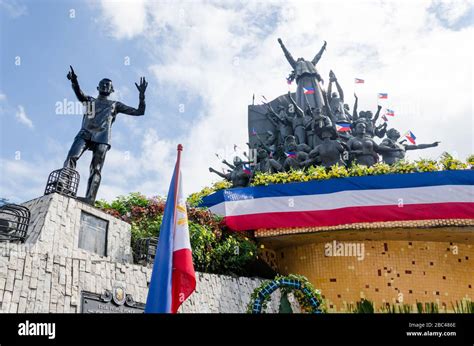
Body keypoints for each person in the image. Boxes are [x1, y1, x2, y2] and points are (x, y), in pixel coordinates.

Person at [63, 66, 147, 204]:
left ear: (112, 90)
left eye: (108, 85)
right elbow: (79, 93)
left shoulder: (115, 104)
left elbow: (139, 112)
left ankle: (90, 198)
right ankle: (64, 186)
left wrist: (142, 96)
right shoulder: (89, 100)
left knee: (96, 168)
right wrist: (74, 81)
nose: (105, 86)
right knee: (72, 157)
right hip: (85, 133)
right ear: (98, 87)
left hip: (102, 138)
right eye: (103, 84)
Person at [278, 38, 327, 114]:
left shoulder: (310, 63)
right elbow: (288, 56)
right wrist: (282, 45)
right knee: (308, 97)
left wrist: (323, 48)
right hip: (304, 81)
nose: (300, 58)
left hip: (314, 80)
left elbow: (318, 56)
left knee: (317, 96)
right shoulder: (296, 65)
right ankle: (310, 111)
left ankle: (320, 111)